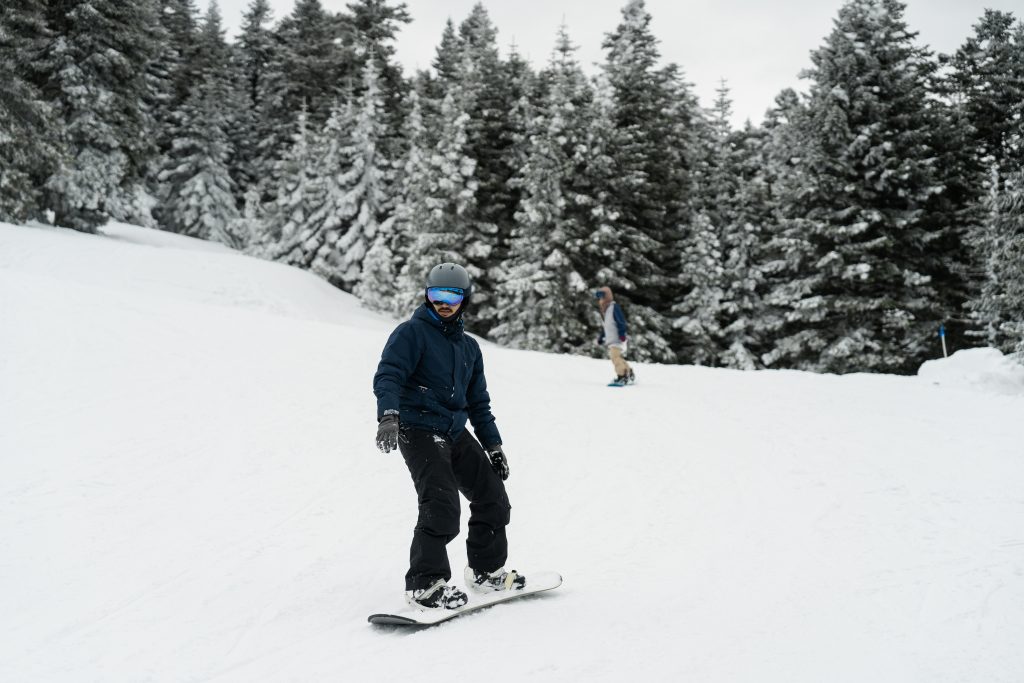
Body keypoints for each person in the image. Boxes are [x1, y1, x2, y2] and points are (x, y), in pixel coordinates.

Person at [373, 263, 527, 610]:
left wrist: (494, 446)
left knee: (493, 498)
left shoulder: (470, 348)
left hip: (453, 431)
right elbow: (389, 375)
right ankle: (425, 585)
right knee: (441, 504)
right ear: (427, 296)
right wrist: (389, 415)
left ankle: (486, 572)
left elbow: (479, 403)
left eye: (452, 295)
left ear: (464, 299)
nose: (443, 302)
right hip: (417, 427)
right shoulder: (411, 333)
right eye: (436, 294)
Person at [594, 286, 635, 386]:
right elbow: (607, 327)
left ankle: (622, 377)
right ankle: (629, 373)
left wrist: (621, 334)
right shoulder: (607, 311)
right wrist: (601, 338)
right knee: (617, 357)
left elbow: (621, 322)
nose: (601, 299)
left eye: (602, 297)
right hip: (613, 339)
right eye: (599, 297)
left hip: (617, 338)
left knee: (615, 357)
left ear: (607, 296)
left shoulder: (613, 307)